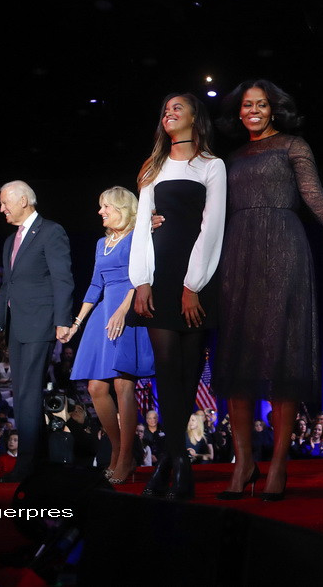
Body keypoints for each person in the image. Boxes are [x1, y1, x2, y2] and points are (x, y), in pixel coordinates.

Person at [213, 80, 323, 502]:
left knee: (283, 356)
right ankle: (244, 462)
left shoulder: (292, 145)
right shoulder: (229, 158)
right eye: (247, 105)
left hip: (284, 249)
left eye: (261, 105)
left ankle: (279, 464)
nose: (253, 111)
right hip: (237, 254)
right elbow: (211, 211)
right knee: (238, 357)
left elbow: (312, 194)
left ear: (274, 109)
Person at [130, 93, 226, 500]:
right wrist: (142, 280)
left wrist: (194, 284)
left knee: (188, 372)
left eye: (177, 109)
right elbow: (140, 227)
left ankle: (170, 460)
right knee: (166, 369)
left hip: (197, 276)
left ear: (194, 118)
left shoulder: (212, 166)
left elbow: (213, 225)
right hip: (160, 274)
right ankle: (180, 459)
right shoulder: (152, 167)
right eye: (164, 109)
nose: (168, 113)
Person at [0, 180, 75, 483]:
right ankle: (33, 462)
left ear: (22, 200)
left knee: (30, 393)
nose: (1, 209)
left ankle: (28, 465)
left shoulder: (51, 231)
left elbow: (63, 278)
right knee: (21, 395)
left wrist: (63, 320)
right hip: (17, 328)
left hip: (40, 323)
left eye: (4, 203)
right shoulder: (11, 241)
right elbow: (7, 287)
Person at [60, 186, 149, 485]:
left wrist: (124, 310)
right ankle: (118, 449)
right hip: (103, 315)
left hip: (129, 310)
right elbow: (95, 285)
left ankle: (125, 458)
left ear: (122, 209)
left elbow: (142, 277)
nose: (101, 212)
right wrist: (77, 322)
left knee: (124, 384)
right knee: (97, 387)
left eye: (106, 207)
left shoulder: (138, 236)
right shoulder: (101, 243)